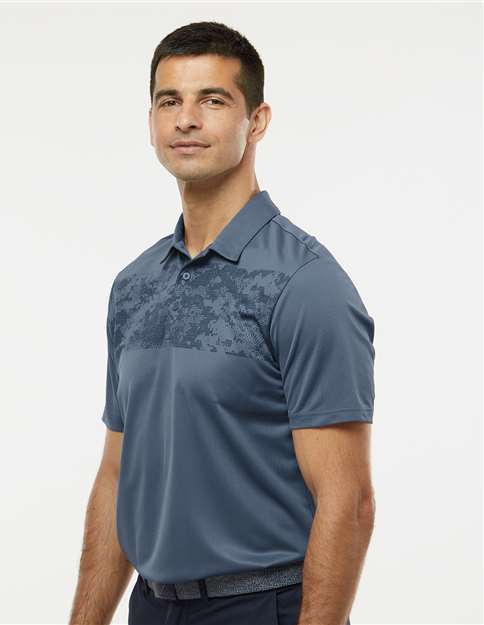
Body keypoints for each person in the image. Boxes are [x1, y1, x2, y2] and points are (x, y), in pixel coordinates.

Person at [69, 20, 376, 625]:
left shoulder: (306, 285)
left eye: (212, 100)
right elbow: (117, 475)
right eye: (169, 101)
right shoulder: (134, 285)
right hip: (151, 606)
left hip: (262, 605)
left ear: (256, 121)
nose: (185, 119)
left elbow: (349, 503)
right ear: (151, 121)